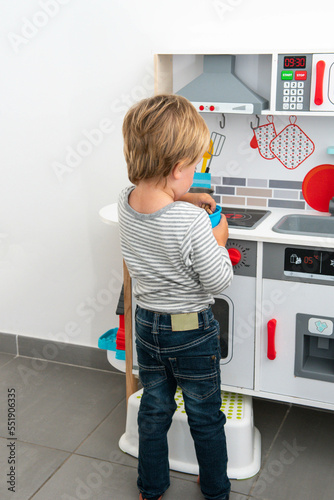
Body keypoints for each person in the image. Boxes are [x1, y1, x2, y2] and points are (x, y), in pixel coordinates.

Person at [118, 94, 233, 500]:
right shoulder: (192, 223)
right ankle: (216, 489)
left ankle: (151, 488)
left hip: (147, 325)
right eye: (194, 166)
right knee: (205, 415)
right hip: (190, 330)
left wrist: (184, 196)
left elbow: (157, 204)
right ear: (176, 168)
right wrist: (218, 240)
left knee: (154, 408)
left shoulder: (126, 201)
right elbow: (219, 281)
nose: (195, 174)